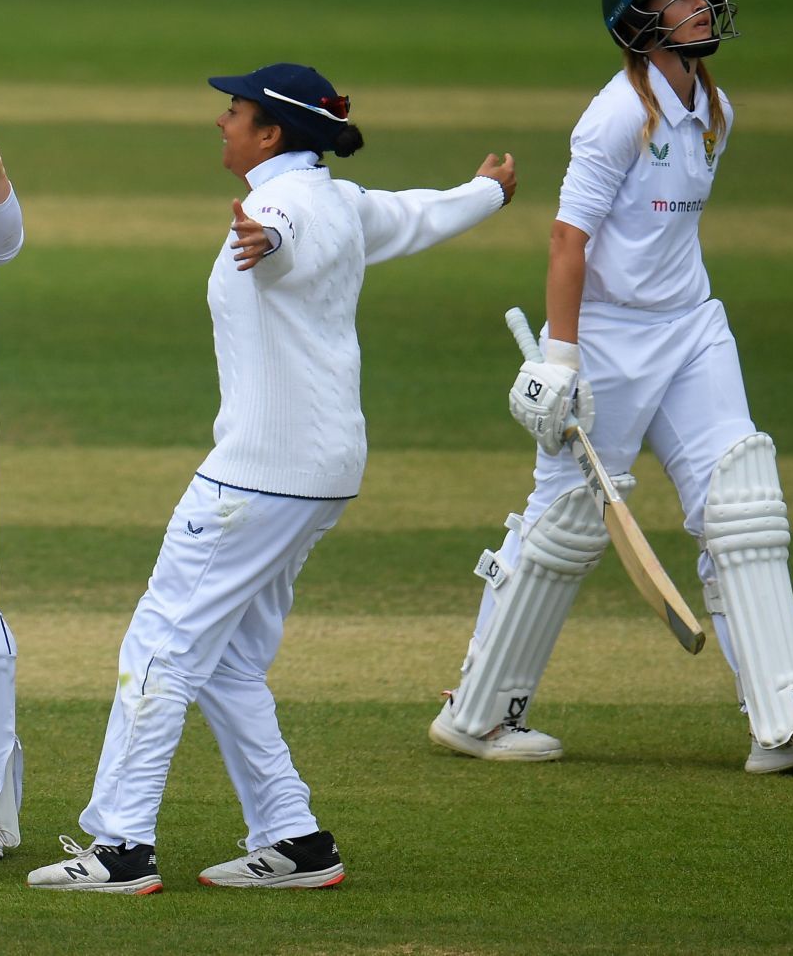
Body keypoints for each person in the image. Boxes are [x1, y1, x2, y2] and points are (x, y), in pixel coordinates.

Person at [27, 64, 516, 893]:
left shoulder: (279, 207)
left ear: (274, 133)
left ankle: (119, 849)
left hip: (258, 476)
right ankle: (295, 839)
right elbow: (419, 213)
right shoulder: (346, 203)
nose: (222, 121)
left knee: (161, 647)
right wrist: (487, 192)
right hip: (319, 471)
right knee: (225, 662)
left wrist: (267, 241)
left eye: (236, 111)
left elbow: (282, 238)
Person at [427, 0, 793, 774]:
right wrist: (561, 358)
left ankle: (787, 724)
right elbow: (567, 238)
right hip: (609, 339)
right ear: (641, 21)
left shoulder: (713, 106)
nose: (702, 5)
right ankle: (477, 712)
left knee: (743, 507)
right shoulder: (615, 116)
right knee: (565, 523)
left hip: (692, 327)